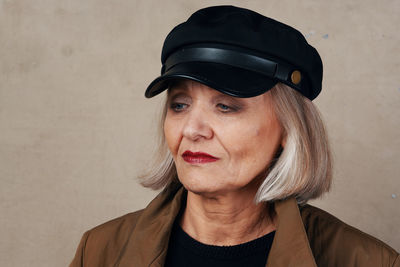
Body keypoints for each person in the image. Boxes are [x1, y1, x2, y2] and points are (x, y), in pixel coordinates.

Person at [69, 5, 399, 267]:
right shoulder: (99, 251)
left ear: (289, 129)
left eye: (225, 106)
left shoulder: (366, 261)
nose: (192, 129)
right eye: (180, 104)